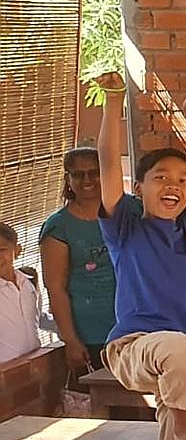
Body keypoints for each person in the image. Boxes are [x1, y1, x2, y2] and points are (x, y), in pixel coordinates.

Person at [94, 72, 186, 440]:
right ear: (138, 188)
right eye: (161, 177)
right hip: (135, 348)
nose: (174, 184)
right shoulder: (125, 227)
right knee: (178, 348)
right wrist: (115, 100)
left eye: (182, 181)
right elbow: (106, 158)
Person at [40, 148, 117, 374]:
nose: (87, 180)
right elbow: (55, 288)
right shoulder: (59, 227)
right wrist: (71, 341)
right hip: (90, 333)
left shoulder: (129, 211)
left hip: (131, 327)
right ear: (68, 180)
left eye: (94, 172)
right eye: (78, 174)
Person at [0, 225, 40, 364]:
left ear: (17, 251)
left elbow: (37, 318)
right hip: (5, 372)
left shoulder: (27, 284)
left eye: (2, 250)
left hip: (35, 364)